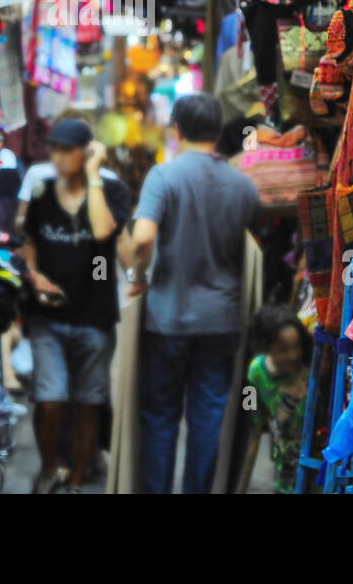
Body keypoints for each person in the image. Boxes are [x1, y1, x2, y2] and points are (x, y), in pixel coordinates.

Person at [123, 92, 261, 494]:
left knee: (162, 416)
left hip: (168, 318)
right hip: (222, 320)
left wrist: (137, 275)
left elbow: (144, 237)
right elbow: (253, 249)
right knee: (207, 417)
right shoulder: (243, 185)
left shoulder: (164, 177)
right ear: (219, 132)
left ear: (177, 130)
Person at [19, 118, 131, 493]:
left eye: (67, 149)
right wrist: (34, 275)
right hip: (47, 317)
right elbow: (30, 241)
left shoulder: (111, 192)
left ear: (85, 152)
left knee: (88, 403)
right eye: (55, 149)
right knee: (50, 398)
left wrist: (95, 175)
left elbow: (102, 231)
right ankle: (51, 467)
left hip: (94, 317)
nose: (58, 156)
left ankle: (78, 479)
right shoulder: (42, 191)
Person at [245, 307, 312, 493]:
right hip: (283, 455)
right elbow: (250, 404)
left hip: (311, 452)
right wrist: (256, 418)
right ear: (267, 348)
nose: (292, 355)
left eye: (296, 347)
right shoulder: (256, 370)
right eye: (283, 350)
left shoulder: (308, 372)